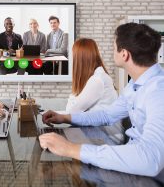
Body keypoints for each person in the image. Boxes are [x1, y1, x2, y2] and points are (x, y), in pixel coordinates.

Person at [39, 23, 164, 176]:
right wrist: (65, 117)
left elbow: (150, 160)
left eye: (113, 47)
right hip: (131, 160)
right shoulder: (135, 85)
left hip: (148, 173)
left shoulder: (158, 91)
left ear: (124, 54)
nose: (111, 52)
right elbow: (106, 115)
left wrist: (70, 149)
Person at [65, 38, 117, 113]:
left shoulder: (97, 80)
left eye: (74, 56)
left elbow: (70, 111)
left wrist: (74, 92)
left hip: (105, 125)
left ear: (79, 59)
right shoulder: (98, 76)